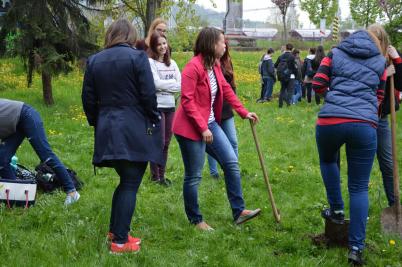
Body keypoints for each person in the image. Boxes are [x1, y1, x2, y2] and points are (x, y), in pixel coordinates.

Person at [82, 19, 162, 254]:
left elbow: (87, 98)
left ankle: (116, 231)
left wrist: (98, 121)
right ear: (130, 35)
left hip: (107, 127)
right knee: (130, 182)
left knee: (125, 180)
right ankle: (119, 242)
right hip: (133, 128)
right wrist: (154, 117)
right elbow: (148, 94)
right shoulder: (138, 57)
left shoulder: (94, 60)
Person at [172, 27, 261, 231]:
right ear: (212, 44)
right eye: (222, 41)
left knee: (231, 163)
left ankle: (239, 212)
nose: (225, 45)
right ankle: (196, 220)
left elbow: (226, 90)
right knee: (194, 175)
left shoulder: (215, 65)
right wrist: (203, 128)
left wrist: (243, 112)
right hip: (190, 128)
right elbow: (187, 100)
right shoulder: (192, 68)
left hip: (209, 123)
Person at [312, 29, 387, 265]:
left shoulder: (334, 53)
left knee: (327, 160)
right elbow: (380, 96)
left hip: (331, 119)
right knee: (359, 187)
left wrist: (334, 97)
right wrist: (363, 110)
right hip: (364, 125)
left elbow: (318, 83)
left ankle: (336, 211)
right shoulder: (380, 61)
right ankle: (356, 248)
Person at [0, 98, 80, 205]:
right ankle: (16, 195)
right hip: (17, 122)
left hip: (27, 116)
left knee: (46, 156)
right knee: (2, 159)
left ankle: (72, 192)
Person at [367, 24, 402, 207]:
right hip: (363, 119)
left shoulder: (390, 57)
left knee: (388, 165)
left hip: (381, 120)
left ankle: (394, 205)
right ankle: (360, 207)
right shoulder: (363, 58)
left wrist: (397, 61)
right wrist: (383, 74)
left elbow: (401, 84)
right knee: (362, 167)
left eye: (376, 39)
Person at [147, 31, 181, 186]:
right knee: (158, 142)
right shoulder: (150, 63)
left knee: (166, 143)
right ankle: (155, 176)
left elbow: (180, 85)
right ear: (154, 46)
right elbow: (155, 84)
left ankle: (162, 175)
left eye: (164, 43)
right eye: (159, 44)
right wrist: (169, 86)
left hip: (170, 107)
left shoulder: (172, 64)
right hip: (157, 107)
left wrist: (164, 87)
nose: (162, 47)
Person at [207, 39, 239, 179]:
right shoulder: (209, 64)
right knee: (213, 141)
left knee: (232, 140)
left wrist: (239, 107)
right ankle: (214, 172)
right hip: (213, 109)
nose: (224, 47)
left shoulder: (226, 62)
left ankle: (233, 170)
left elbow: (229, 85)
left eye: (226, 45)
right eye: (222, 44)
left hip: (226, 107)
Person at [274, 43, 297, 108]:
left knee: (282, 90)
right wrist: (295, 75)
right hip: (290, 76)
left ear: (286, 48)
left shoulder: (281, 56)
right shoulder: (292, 57)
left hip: (282, 76)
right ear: (292, 49)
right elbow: (294, 68)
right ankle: (288, 104)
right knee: (290, 90)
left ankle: (280, 104)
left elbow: (275, 65)